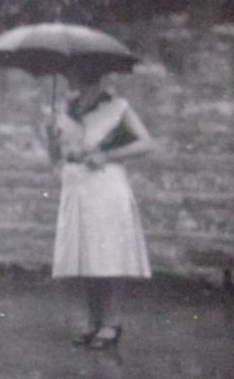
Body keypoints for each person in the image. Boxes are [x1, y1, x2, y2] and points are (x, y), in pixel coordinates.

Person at [47, 66, 155, 349]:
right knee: (85, 255)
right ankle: (93, 322)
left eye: (86, 81)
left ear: (98, 82)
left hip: (106, 186)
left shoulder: (118, 107)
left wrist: (107, 155)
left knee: (109, 254)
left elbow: (146, 143)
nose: (79, 87)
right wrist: (53, 140)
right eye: (75, 81)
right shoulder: (62, 110)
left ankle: (111, 323)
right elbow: (55, 156)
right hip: (75, 188)